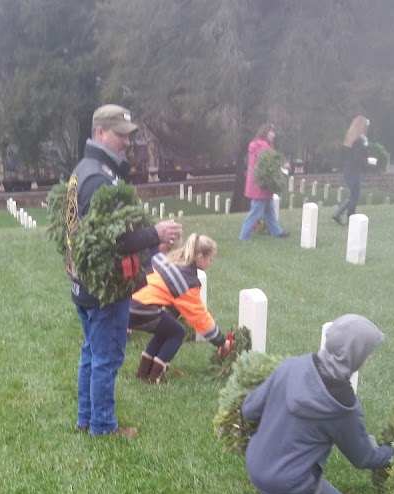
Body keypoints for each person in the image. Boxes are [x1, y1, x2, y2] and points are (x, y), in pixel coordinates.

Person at [67, 104, 182, 436]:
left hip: (85, 283)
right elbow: (111, 240)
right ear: (100, 132)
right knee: (106, 358)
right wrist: (154, 234)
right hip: (106, 287)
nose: (127, 142)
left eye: (129, 135)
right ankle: (103, 425)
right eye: (121, 135)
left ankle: (86, 418)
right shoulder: (99, 179)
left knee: (92, 352)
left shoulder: (83, 170)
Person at [241, 314, 394, 494]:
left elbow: (249, 409)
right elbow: (364, 458)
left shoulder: (291, 366)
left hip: (255, 465)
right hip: (291, 484)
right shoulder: (343, 405)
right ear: (355, 355)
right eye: (367, 353)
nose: (368, 359)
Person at [128, 233, 232, 383]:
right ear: (200, 257)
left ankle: (143, 372)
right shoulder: (187, 282)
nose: (211, 263)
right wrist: (221, 342)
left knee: (166, 329)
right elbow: (200, 317)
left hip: (129, 303)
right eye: (210, 259)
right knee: (178, 332)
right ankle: (154, 378)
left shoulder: (166, 258)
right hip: (142, 309)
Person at [238, 123, 289, 241]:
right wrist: (283, 165)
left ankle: (277, 232)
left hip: (260, 184)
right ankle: (243, 236)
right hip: (260, 185)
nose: (274, 135)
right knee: (255, 212)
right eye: (272, 132)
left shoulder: (259, 144)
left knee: (269, 210)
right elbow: (269, 163)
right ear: (265, 132)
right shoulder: (262, 146)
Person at [333, 116, 370, 225]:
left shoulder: (351, 139)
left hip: (348, 170)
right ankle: (349, 217)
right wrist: (367, 161)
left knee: (353, 195)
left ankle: (339, 214)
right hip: (354, 171)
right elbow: (357, 157)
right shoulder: (359, 141)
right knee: (355, 196)